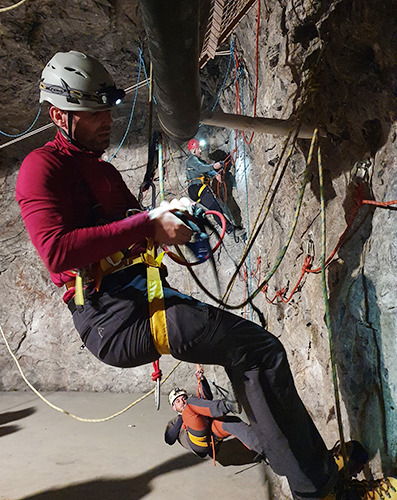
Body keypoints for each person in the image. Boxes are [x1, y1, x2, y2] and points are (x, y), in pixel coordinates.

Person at [15, 51, 395, 500]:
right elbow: (57, 251)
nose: (105, 121)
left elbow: (128, 230)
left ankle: (308, 468)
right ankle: (320, 488)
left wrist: (171, 218)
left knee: (252, 356)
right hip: (114, 318)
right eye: (92, 113)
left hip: (140, 301)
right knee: (259, 353)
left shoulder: (101, 170)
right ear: (59, 114)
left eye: (105, 110)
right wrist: (148, 224)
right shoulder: (41, 169)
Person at [165, 364, 265, 462]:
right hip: (197, 442)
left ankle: (265, 449)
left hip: (211, 434)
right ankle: (227, 406)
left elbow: (207, 399)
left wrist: (202, 379)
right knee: (190, 405)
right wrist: (182, 416)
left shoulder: (193, 407)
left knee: (232, 423)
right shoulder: (174, 422)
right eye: (178, 401)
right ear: (173, 407)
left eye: (184, 398)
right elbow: (169, 439)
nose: (183, 402)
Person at [186, 138, 235, 235]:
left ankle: (228, 229)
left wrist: (216, 175)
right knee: (216, 208)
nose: (200, 150)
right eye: (198, 148)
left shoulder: (199, 161)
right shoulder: (191, 159)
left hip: (195, 191)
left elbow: (206, 169)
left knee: (215, 209)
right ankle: (229, 228)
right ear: (193, 150)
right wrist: (214, 166)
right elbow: (201, 168)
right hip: (197, 187)